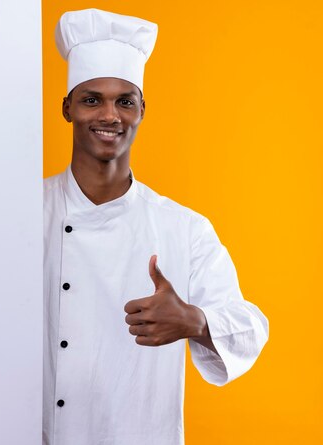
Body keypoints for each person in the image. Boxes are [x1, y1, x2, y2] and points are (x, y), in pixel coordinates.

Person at [43, 9, 269, 445]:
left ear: (141, 110)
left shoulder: (183, 228)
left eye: (124, 101)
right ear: (67, 108)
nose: (110, 114)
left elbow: (251, 326)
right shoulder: (24, 214)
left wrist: (195, 320)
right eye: (92, 99)